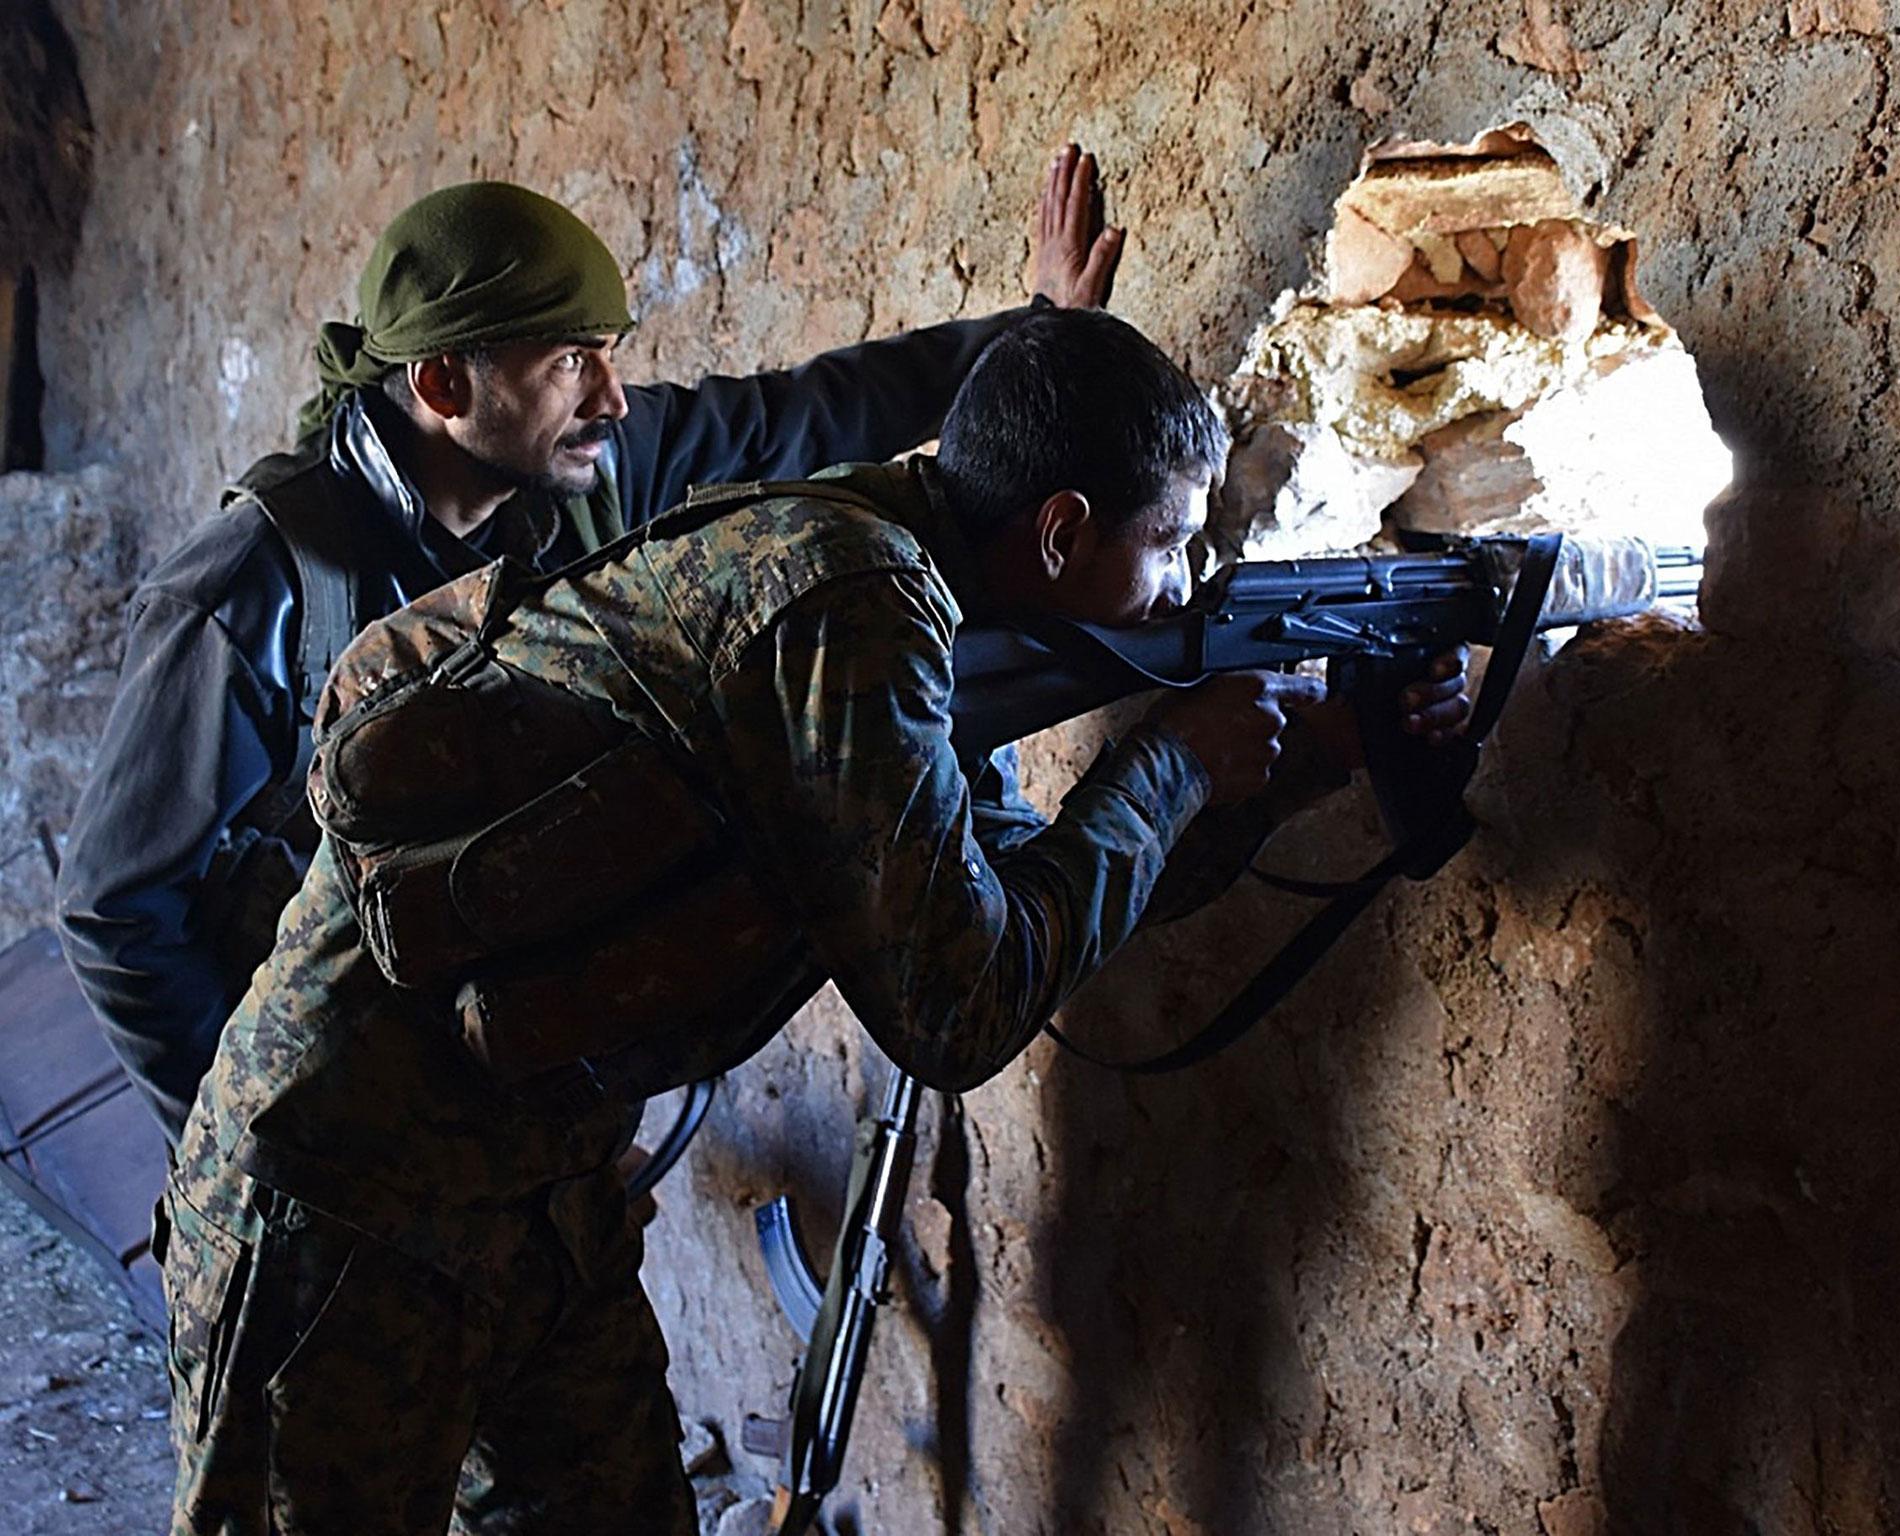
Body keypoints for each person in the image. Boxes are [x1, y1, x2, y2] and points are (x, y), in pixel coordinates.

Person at [159, 305, 1471, 1534]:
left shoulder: (922, 598)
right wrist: (1171, 767)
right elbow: (959, 1008)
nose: (1186, 586)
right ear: (1063, 529)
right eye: (1172, 540)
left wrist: (1280, 776)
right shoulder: (854, 599)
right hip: (339, 1188)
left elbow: (1022, 902)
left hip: (529, 1182)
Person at [55, 146, 1126, 1140]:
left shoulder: (579, 470)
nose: (612, 398)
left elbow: (805, 413)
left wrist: (1030, 335)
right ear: (442, 387)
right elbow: (117, 910)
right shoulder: (254, 587)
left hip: (500, 1079)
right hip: (338, 1106)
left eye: (608, 356)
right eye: (572, 362)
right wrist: (253, 1143)